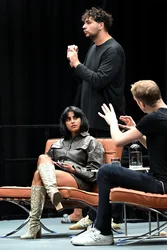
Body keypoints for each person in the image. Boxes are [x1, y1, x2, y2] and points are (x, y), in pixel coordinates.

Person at [71, 80, 167, 246]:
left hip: (160, 184)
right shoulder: (162, 116)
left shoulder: (153, 118)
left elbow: (117, 141)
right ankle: (100, 225)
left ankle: (102, 231)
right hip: (162, 182)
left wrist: (112, 122)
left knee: (106, 171)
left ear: (140, 103)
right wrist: (136, 129)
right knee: (112, 169)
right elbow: (154, 146)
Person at [66, 6, 126, 226]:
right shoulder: (93, 48)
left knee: (111, 168)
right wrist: (76, 64)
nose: (84, 26)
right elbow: (87, 81)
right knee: (94, 169)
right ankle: (94, 214)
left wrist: (77, 64)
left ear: (101, 24)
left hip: (106, 118)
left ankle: (112, 217)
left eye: (88, 22)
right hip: (91, 118)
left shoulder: (113, 50)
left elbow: (100, 80)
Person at [20, 106, 104, 239]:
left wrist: (74, 169)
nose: (72, 121)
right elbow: (43, 166)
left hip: (79, 180)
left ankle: (34, 225)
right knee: (42, 160)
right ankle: (53, 192)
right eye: (68, 119)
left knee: (38, 175)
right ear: (64, 123)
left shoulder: (91, 142)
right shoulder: (57, 144)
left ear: (81, 119)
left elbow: (95, 172)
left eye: (75, 118)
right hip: (56, 177)